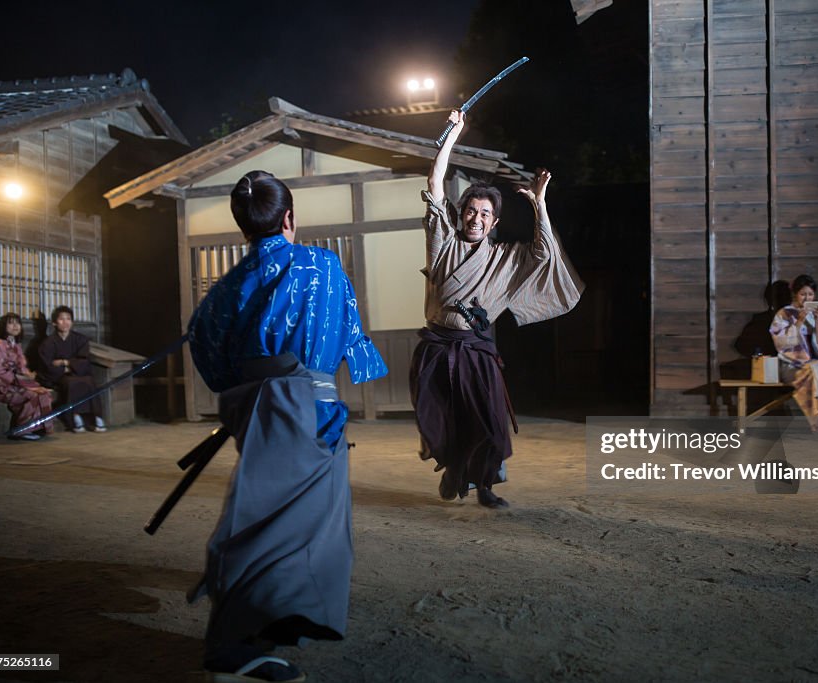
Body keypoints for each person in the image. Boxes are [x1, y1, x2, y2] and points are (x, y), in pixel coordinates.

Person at [188, 170, 387, 682]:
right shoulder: (320, 265)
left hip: (255, 412)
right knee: (289, 526)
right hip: (307, 409)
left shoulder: (227, 286)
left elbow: (208, 351)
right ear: (290, 218)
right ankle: (233, 647)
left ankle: (260, 632)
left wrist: (247, 395)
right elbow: (341, 335)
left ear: (242, 226)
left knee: (264, 515)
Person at [410, 110, 584, 509]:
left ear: (494, 222)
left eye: (485, 214)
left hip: (477, 351)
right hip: (438, 350)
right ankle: (455, 469)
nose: (476, 217)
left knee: (488, 420)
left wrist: (539, 205)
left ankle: (485, 485)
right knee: (444, 419)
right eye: (471, 210)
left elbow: (544, 252)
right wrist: (455, 133)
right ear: (461, 213)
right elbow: (435, 183)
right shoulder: (444, 242)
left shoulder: (505, 258)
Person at [769, 274, 818, 432]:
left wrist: (816, 322)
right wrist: (799, 321)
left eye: (810, 294)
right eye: (803, 294)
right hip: (791, 365)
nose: (807, 298)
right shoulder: (784, 314)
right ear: (795, 294)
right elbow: (781, 344)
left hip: (815, 364)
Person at [0, 312, 53, 440]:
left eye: (17, 322)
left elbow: (22, 369)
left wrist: (29, 376)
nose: (15, 326)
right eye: (10, 323)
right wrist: (21, 381)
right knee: (31, 395)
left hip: (16, 383)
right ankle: (21, 429)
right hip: (0, 387)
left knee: (44, 393)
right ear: (4, 326)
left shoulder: (17, 346)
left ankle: (38, 427)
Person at [37, 306, 105, 433]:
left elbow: (84, 361)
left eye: (68, 319)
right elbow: (48, 365)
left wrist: (65, 362)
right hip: (59, 377)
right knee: (72, 382)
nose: (65, 322)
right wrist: (70, 368)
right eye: (61, 319)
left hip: (77, 373)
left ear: (72, 322)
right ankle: (75, 418)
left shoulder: (80, 339)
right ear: (54, 323)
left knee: (88, 380)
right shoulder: (48, 343)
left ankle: (96, 417)